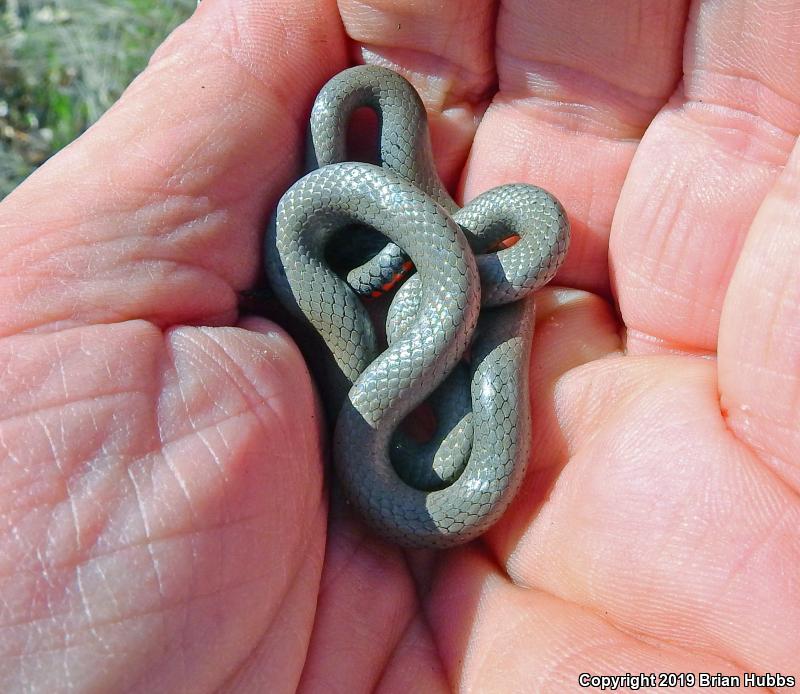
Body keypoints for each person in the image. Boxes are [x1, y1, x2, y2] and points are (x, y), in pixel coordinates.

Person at [1, 0, 798, 691]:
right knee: (443, 339)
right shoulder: (391, 258)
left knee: (451, 350)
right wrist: (427, 269)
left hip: (432, 296)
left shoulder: (441, 271)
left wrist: (427, 270)